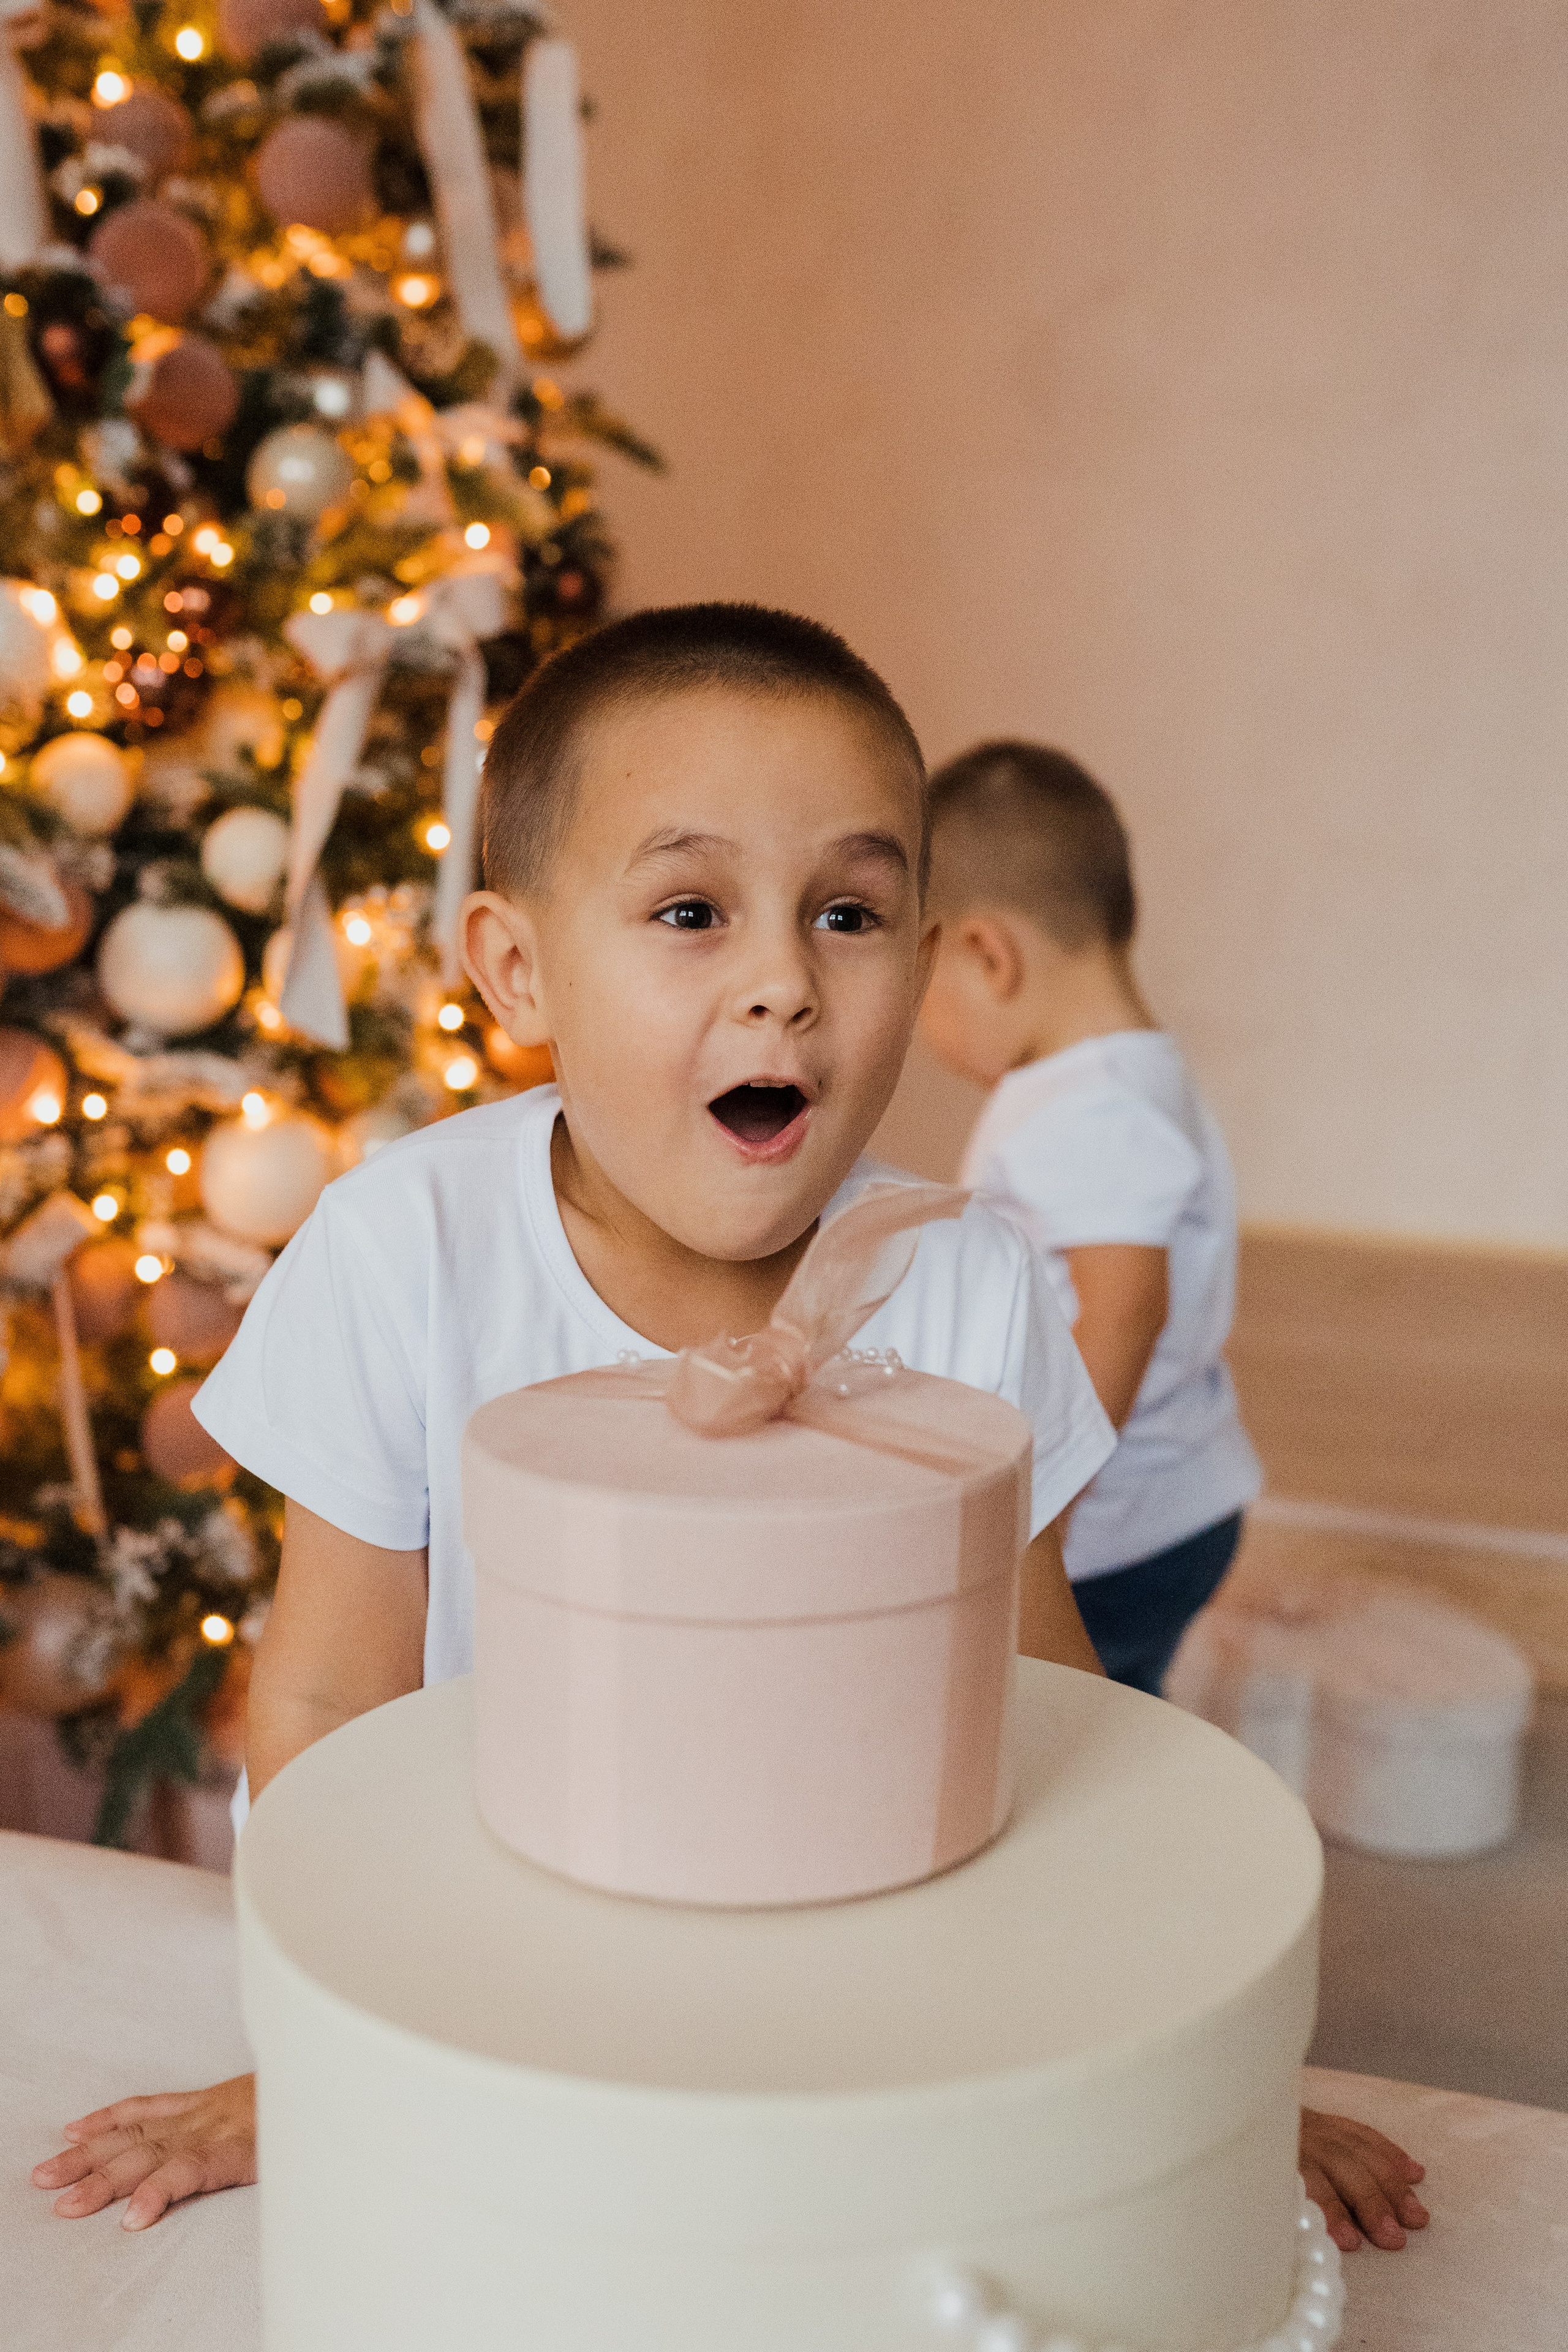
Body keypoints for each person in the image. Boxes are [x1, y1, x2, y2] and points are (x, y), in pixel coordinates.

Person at [32, 612, 1424, 2258]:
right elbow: (335, 1697)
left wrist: (1178, 2086)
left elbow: (1051, 1715)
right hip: (501, 1951)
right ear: (517, 968)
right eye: (691, 912)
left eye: (851, 912)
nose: (785, 982)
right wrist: (328, 2051)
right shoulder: (403, 1251)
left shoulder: (967, 1279)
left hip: (841, 1968)